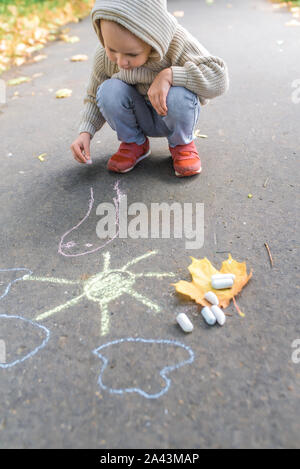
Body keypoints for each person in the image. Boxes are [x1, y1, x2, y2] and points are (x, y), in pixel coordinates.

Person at [70, 0, 229, 177]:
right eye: (111, 49)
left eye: (132, 54)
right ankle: (134, 143)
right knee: (108, 89)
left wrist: (169, 75)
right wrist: (86, 131)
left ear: (153, 39)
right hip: (138, 116)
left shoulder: (176, 43)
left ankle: (182, 145)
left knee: (179, 93)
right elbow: (93, 96)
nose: (121, 62)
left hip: (173, 113)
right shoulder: (105, 57)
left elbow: (218, 78)